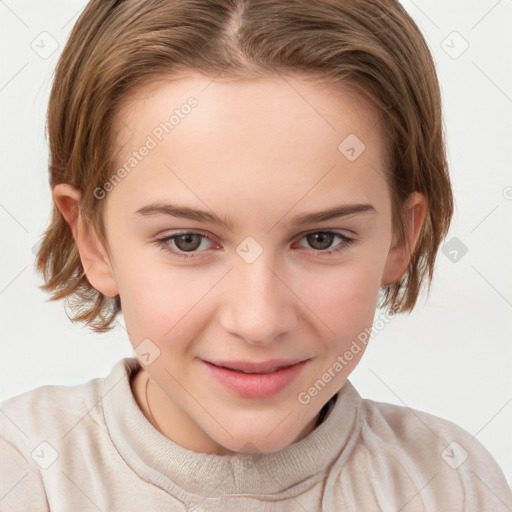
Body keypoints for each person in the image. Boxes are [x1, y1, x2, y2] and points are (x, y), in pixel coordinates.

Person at [1, 0, 511, 510]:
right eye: (187, 241)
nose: (258, 321)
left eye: (321, 239)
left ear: (401, 237)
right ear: (92, 241)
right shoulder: (25, 473)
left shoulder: (450, 484)